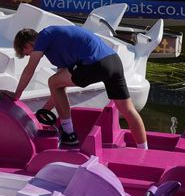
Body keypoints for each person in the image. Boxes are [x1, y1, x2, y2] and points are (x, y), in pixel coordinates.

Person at [12, 25, 148, 149]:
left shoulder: (44, 35)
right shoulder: (57, 45)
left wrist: (16, 95)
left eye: (25, 52)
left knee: (52, 81)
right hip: (113, 62)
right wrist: (45, 110)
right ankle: (144, 149)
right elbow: (60, 87)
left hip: (95, 64)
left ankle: (70, 135)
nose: (27, 56)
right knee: (128, 109)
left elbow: (30, 69)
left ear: (29, 43)